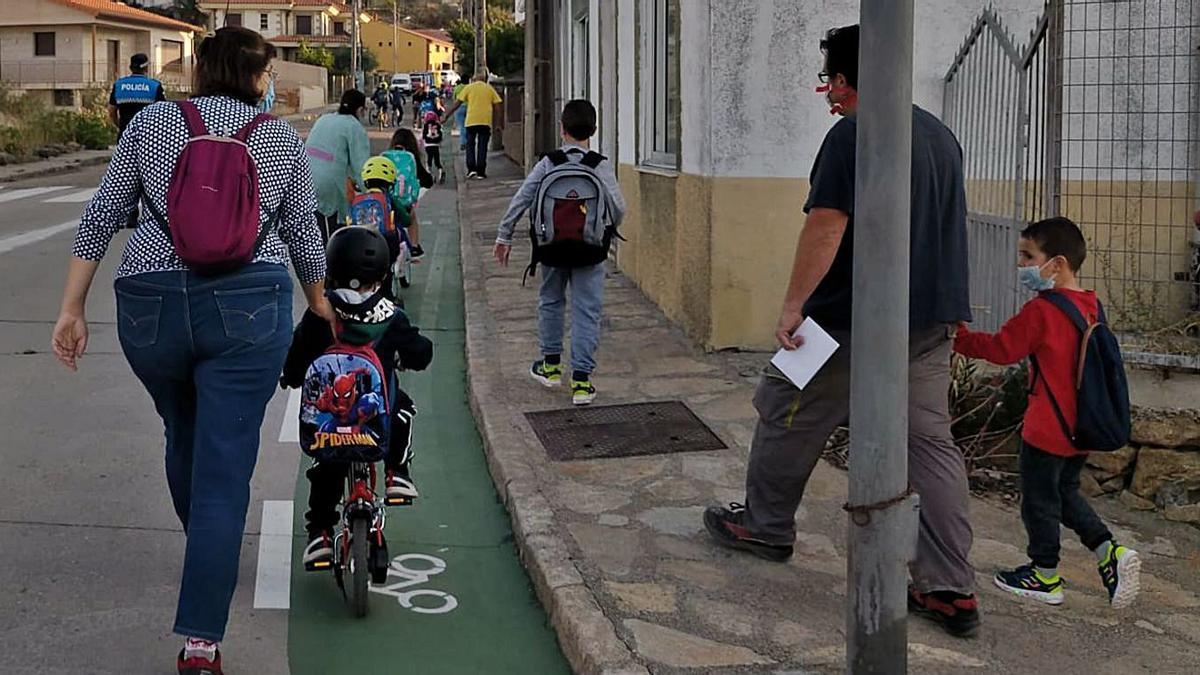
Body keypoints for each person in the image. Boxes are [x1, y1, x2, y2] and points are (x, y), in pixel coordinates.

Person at [51, 27, 331, 675]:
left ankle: (207, 537)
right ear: (260, 78)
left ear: (200, 72)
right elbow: (302, 236)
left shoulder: (149, 126)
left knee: (183, 429)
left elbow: (100, 216)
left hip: (148, 301)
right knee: (225, 469)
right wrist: (319, 302)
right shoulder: (279, 140)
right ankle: (202, 641)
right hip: (247, 304)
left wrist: (71, 309)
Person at [700, 24, 980, 638]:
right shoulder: (939, 135)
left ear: (853, 81)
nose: (827, 94)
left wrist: (793, 304)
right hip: (928, 323)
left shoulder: (850, 135)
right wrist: (955, 302)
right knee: (929, 445)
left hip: (845, 323)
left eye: (832, 80)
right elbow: (950, 224)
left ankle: (766, 526)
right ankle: (949, 586)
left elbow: (826, 227)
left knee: (784, 406)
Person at [953, 217, 1141, 609]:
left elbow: (1003, 349)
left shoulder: (1042, 311)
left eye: (1027, 256)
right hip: (1081, 427)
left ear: (1055, 263)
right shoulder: (1091, 304)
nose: (1021, 265)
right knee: (1065, 492)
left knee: (1038, 500)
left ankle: (1044, 575)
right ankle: (1110, 551)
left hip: (1046, 428)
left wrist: (958, 337)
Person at [280, 226, 433, 570]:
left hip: (333, 423)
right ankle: (397, 473)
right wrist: (407, 356)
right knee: (403, 410)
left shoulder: (321, 314)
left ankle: (320, 534)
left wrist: (289, 377)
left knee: (326, 469)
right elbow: (420, 352)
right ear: (382, 272)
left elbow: (298, 352)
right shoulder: (390, 316)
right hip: (376, 420)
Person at [493, 100, 626, 406]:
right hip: (590, 250)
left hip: (551, 247)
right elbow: (619, 207)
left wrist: (505, 234)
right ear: (592, 130)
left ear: (562, 129)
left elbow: (523, 197)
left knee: (551, 301)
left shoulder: (549, 162)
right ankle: (581, 381)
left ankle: (550, 366)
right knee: (586, 310)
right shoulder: (599, 164)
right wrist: (605, 231)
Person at [305, 89, 371, 243]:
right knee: (338, 232)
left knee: (317, 232)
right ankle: (335, 262)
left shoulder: (323, 119)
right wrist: (369, 191)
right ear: (360, 109)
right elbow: (361, 167)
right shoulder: (354, 127)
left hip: (306, 178)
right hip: (330, 182)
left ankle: (319, 264)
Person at [108, 53, 165, 229]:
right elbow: (162, 112)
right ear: (146, 68)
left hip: (125, 136)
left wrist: (119, 126)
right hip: (150, 138)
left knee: (127, 176)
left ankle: (131, 215)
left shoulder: (119, 85)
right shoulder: (154, 86)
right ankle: (149, 214)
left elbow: (111, 111)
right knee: (149, 176)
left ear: (130, 67)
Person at [383, 128, 434, 260]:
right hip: (404, 206)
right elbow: (427, 181)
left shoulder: (386, 156)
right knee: (412, 219)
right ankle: (415, 247)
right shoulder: (411, 159)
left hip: (385, 204)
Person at [442, 70, 502, 179]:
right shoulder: (489, 89)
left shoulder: (468, 88)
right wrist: (498, 123)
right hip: (485, 121)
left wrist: (446, 115)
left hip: (471, 121)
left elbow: (457, 103)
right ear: (484, 79)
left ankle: (471, 169)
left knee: (470, 144)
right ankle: (481, 171)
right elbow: (497, 106)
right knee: (482, 145)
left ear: (473, 79)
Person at [422, 111, 446, 184]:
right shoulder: (438, 125)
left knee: (429, 160)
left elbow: (423, 136)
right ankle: (440, 170)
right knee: (437, 161)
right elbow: (441, 135)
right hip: (436, 145)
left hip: (428, 145)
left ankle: (430, 173)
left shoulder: (426, 126)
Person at [452, 78, 468, 150]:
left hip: (459, 107)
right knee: (468, 125)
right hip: (468, 107)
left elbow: (454, 98)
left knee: (462, 126)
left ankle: (463, 143)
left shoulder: (457, 87)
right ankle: (468, 141)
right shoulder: (469, 87)